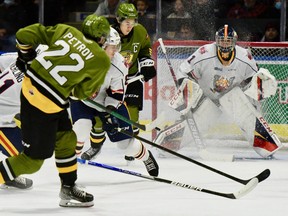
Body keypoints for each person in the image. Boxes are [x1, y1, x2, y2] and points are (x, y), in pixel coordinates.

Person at [0, 14, 111, 207]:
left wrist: (26, 56)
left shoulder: (67, 30)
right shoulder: (101, 59)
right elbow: (80, 94)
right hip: (44, 104)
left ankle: (68, 187)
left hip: (31, 90)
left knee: (66, 139)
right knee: (32, 161)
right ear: (101, 38)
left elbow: (23, 34)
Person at [171, 24, 282, 158]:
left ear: (234, 42)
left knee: (237, 101)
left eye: (228, 41)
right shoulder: (204, 53)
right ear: (216, 41)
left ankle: (265, 143)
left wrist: (260, 87)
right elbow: (183, 71)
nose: (224, 44)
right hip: (206, 98)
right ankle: (170, 142)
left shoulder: (244, 57)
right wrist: (187, 92)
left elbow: (252, 82)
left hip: (231, 98)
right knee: (195, 119)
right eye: (221, 41)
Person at [81, 2, 159, 176]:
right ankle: (95, 146)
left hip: (130, 78)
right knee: (97, 121)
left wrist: (147, 63)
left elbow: (145, 49)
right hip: (109, 81)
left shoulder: (139, 31)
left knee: (131, 116)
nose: (130, 26)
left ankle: (136, 150)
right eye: (126, 22)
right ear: (118, 20)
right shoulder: (108, 34)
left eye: (133, 21)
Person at [0, 52, 33, 189]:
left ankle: (8, 174)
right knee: (26, 149)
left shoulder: (18, 58)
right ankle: (6, 175)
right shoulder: (42, 77)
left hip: (5, 118)